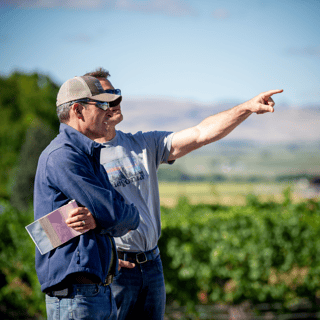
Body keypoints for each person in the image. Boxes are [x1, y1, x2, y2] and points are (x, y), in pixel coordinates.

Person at [82, 68, 283, 320]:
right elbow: (51, 227)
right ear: (83, 109)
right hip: (116, 271)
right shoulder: (79, 158)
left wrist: (247, 107)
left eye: (116, 94)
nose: (115, 101)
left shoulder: (144, 144)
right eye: (106, 97)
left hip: (152, 265)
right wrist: (100, 257)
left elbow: (201, 133)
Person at [33, 75, 140, 320]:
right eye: (101, 105)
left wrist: (101, 219)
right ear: (78, 110)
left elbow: (122, 216)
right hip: (77, 298)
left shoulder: (85, 155)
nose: (110, 111)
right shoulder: (63, 156)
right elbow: (115, 213)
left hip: (92, 294)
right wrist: (106, 218)